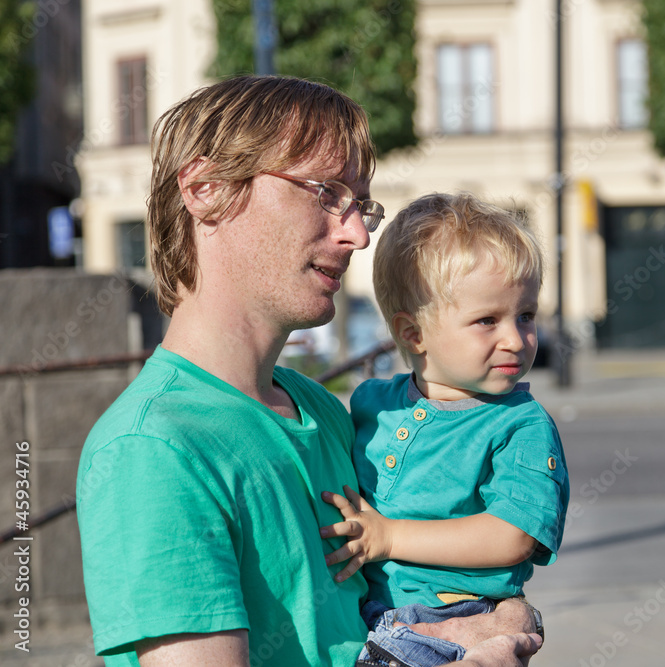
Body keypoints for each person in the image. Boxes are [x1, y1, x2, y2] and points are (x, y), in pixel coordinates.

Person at [75, 75, 540, 667]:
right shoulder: (153, 448)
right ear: (206, 188)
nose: (358, 234)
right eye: (325, 193)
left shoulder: (318, 407)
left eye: (361, 206)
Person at [318, 193, 570, 666]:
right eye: (487, 321)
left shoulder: (520, 424)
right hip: (369, 616)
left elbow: (514, 535)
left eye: (526, 315)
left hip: (455, 624)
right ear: (414, 334)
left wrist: (389, 538)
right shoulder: (374, 402)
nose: (515, 338)